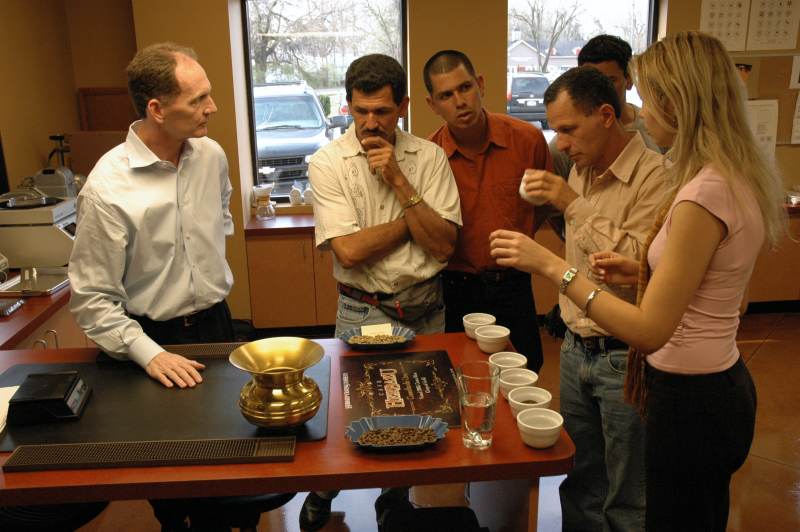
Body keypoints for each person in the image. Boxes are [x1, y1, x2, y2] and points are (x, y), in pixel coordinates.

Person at [490, 31, 785, 531]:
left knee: (646, 506)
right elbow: (705, 282)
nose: (641, 113)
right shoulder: (726, 176)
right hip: (694, 384)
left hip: (692, 394)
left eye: (647, 100)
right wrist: (642, 272)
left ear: (680, 103)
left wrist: (550, 267)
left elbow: (651, 330)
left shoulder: (700, 191)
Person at [68, 42, 246, 530]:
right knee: (169, 483)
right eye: (199, 99)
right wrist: (150, 354)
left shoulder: (211, 156)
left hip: (215, 324)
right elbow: (92, 301)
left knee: (226, 465)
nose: (212, 108)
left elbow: (222, 216)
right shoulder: (108, 188)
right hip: (149, 341)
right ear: (157, 109)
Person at [301, 53, 462, 532]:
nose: (371, 123)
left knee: (417, 419)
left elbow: (445, 244)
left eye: (383, 112)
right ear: (347, 104)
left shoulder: (428, 158)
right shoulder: (328, 162)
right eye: (361, 111)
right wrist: (412, 221)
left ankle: (393, 500)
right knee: (352, 418)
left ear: (404, 107)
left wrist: (397, 180)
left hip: (425, 305)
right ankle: (324, 489)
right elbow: (349, 252)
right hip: (362, 309)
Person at [509, 66, 666, 531]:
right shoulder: (582, 170)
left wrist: (570, 203)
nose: (560, 143)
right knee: (579, 481)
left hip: (624, 354)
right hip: (577, 349)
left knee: (627, 494)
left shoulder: (655, 176)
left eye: (568, 129)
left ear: (604, 115)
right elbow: (580, 255)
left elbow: (643, 266)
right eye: (555, 130)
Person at [424, 49, 551, 372]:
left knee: (525, 371)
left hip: (512, 283)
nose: (459, 101)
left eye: (465, 88)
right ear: (433, 104)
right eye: (446, 95)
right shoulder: (428, 158)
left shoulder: (527, 141)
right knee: (462, 375)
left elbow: (544, 207)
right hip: (455, 288)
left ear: (480, 84)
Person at [549, 34, 660, 180]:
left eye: (609, 80)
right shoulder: (562, 148)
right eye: (589, 82)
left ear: (629, 80)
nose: (598, 90)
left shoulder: (657, 129)